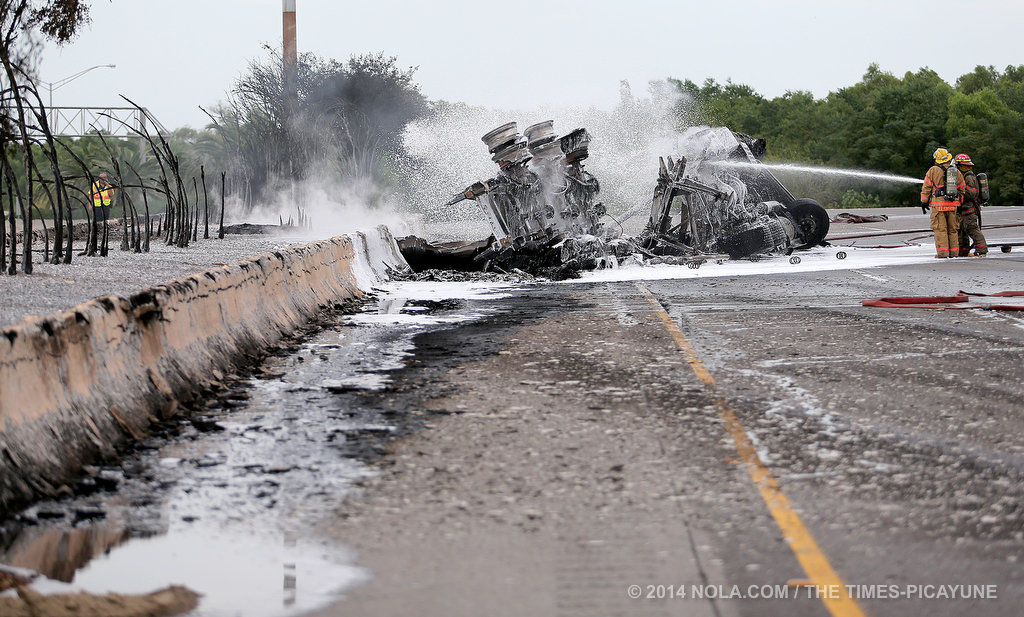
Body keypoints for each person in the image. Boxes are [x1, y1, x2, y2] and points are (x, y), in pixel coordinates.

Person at [920, 148, 965, 258]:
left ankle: (943, 254)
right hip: (953, 206)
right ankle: (954, 253)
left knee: (941, 230)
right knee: (953, 230)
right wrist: (959, 203)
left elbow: (926, 187)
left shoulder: (933, 170)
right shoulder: (956, 171)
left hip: (939, 206)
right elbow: (962, 188)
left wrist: (924, 202)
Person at [955, 153, 988, 257]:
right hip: (962, 210)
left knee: (972, 229)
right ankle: (963, 251)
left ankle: (982, 250)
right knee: (961, 232)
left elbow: (972, 193)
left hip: (969, 209)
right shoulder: (961, 175)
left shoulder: (969, 176)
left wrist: (960, 189)